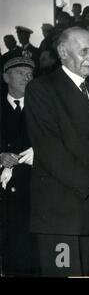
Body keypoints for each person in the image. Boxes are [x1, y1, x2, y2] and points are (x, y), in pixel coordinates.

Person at [24, 26, 89, 277]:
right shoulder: (42, 89)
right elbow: (50, 150)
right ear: (62, 52)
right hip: (62, 216)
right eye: (84, 51)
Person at [0, 52, 39, 276]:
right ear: (6, 77)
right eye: (20, 73)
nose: (27, 78)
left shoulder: (42, 108)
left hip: (34, 193)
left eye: (30, 74)